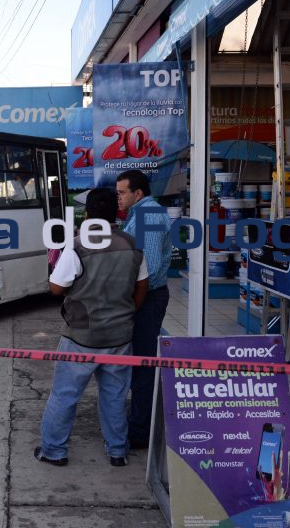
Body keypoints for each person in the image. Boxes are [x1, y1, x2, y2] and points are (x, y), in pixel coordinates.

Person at [35, 188, 149, 467]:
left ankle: (54, 451)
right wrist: (126, 313)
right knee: (114, 395)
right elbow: (142, 286)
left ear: (87, 215)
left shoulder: (78, 245)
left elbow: (56, 287)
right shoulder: (133, 244)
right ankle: (118, 452)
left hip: (81, 336)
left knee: (64, 395)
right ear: (117, 213)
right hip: (120, 336)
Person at [115, 170, 171, 450]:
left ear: (138, 193)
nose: (119, 198)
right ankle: (138, 421)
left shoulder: (148, 215)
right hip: (144, 297)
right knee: (139, 362)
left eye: (122, 193)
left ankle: (139, 431)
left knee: (144, 365)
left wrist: (131, 302)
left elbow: (148, 269)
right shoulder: (140, 214)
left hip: (147, 298)